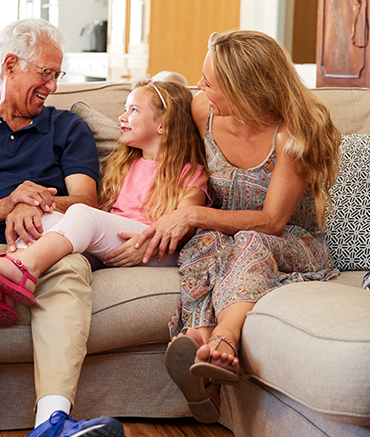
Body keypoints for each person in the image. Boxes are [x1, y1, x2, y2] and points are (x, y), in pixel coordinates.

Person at [0, 18, 125, 437]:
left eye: (58, 75)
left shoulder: (67, 127)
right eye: (46, 73)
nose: (53, 85)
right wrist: (4, 206)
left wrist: (34, 201)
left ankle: (53, 421)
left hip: (46, 240)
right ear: (11, 64)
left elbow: (86, 202)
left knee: (72, 269)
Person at [135, 30, 340, 424]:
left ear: (245, 89)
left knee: (247, 239)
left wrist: (194, 215)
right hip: (225, 235)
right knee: (203, 243)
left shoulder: (292, 135)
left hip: (292, 243)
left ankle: (219, 339)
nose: (200, 88)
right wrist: (181, 209)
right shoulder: (201, 111)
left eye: (210, 83)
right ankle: (199, 346)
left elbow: (271, 222)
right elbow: (179, 163)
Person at [0, 80, 209, 325]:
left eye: (133, 110)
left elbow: (182, 225)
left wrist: (149, 244)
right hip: (118, 241)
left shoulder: (192, 173)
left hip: (155, 247)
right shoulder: (122, 166)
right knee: (45, 215)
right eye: (124, 109)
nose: (122, 117)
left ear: (163, 124)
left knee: (82, 212)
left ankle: (23, 266)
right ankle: (1, 291)